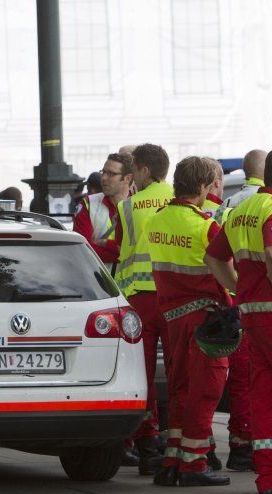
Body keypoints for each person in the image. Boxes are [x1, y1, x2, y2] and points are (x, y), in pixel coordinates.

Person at [205, 146, 272, 494]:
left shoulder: (241, 209)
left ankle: (269, 479)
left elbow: (213, 257)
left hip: (252, 316)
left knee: (265, 399)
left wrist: (239, 288)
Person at [145, 156, 232, 487]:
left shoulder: (157, 220)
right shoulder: (205, 225)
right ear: (203, 186)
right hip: (205, 318)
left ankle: (173, 457)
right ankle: (194, 463)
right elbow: (223, 269)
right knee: (208, 388)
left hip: (172, 316)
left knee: (181, 387)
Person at [113, 143, 174, 475]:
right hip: (175, 295)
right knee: (180, 372)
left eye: (133, 170)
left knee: (144, 374)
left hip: (139, 298)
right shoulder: (183, 198)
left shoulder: (127, 207)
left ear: (145, 171)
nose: (130, 176)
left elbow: (118, 250)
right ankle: (183, 443)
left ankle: (147, 446)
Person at [73, 153, 132, 265]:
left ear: (127, 178)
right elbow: (83, 249)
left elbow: (141, 249)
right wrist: (123, 254)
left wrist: (104, 243)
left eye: (111, 174)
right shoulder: (88, 204)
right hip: (98, 281)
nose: (103, 178)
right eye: (103, 172)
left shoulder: (140, 206)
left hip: (130, 281)